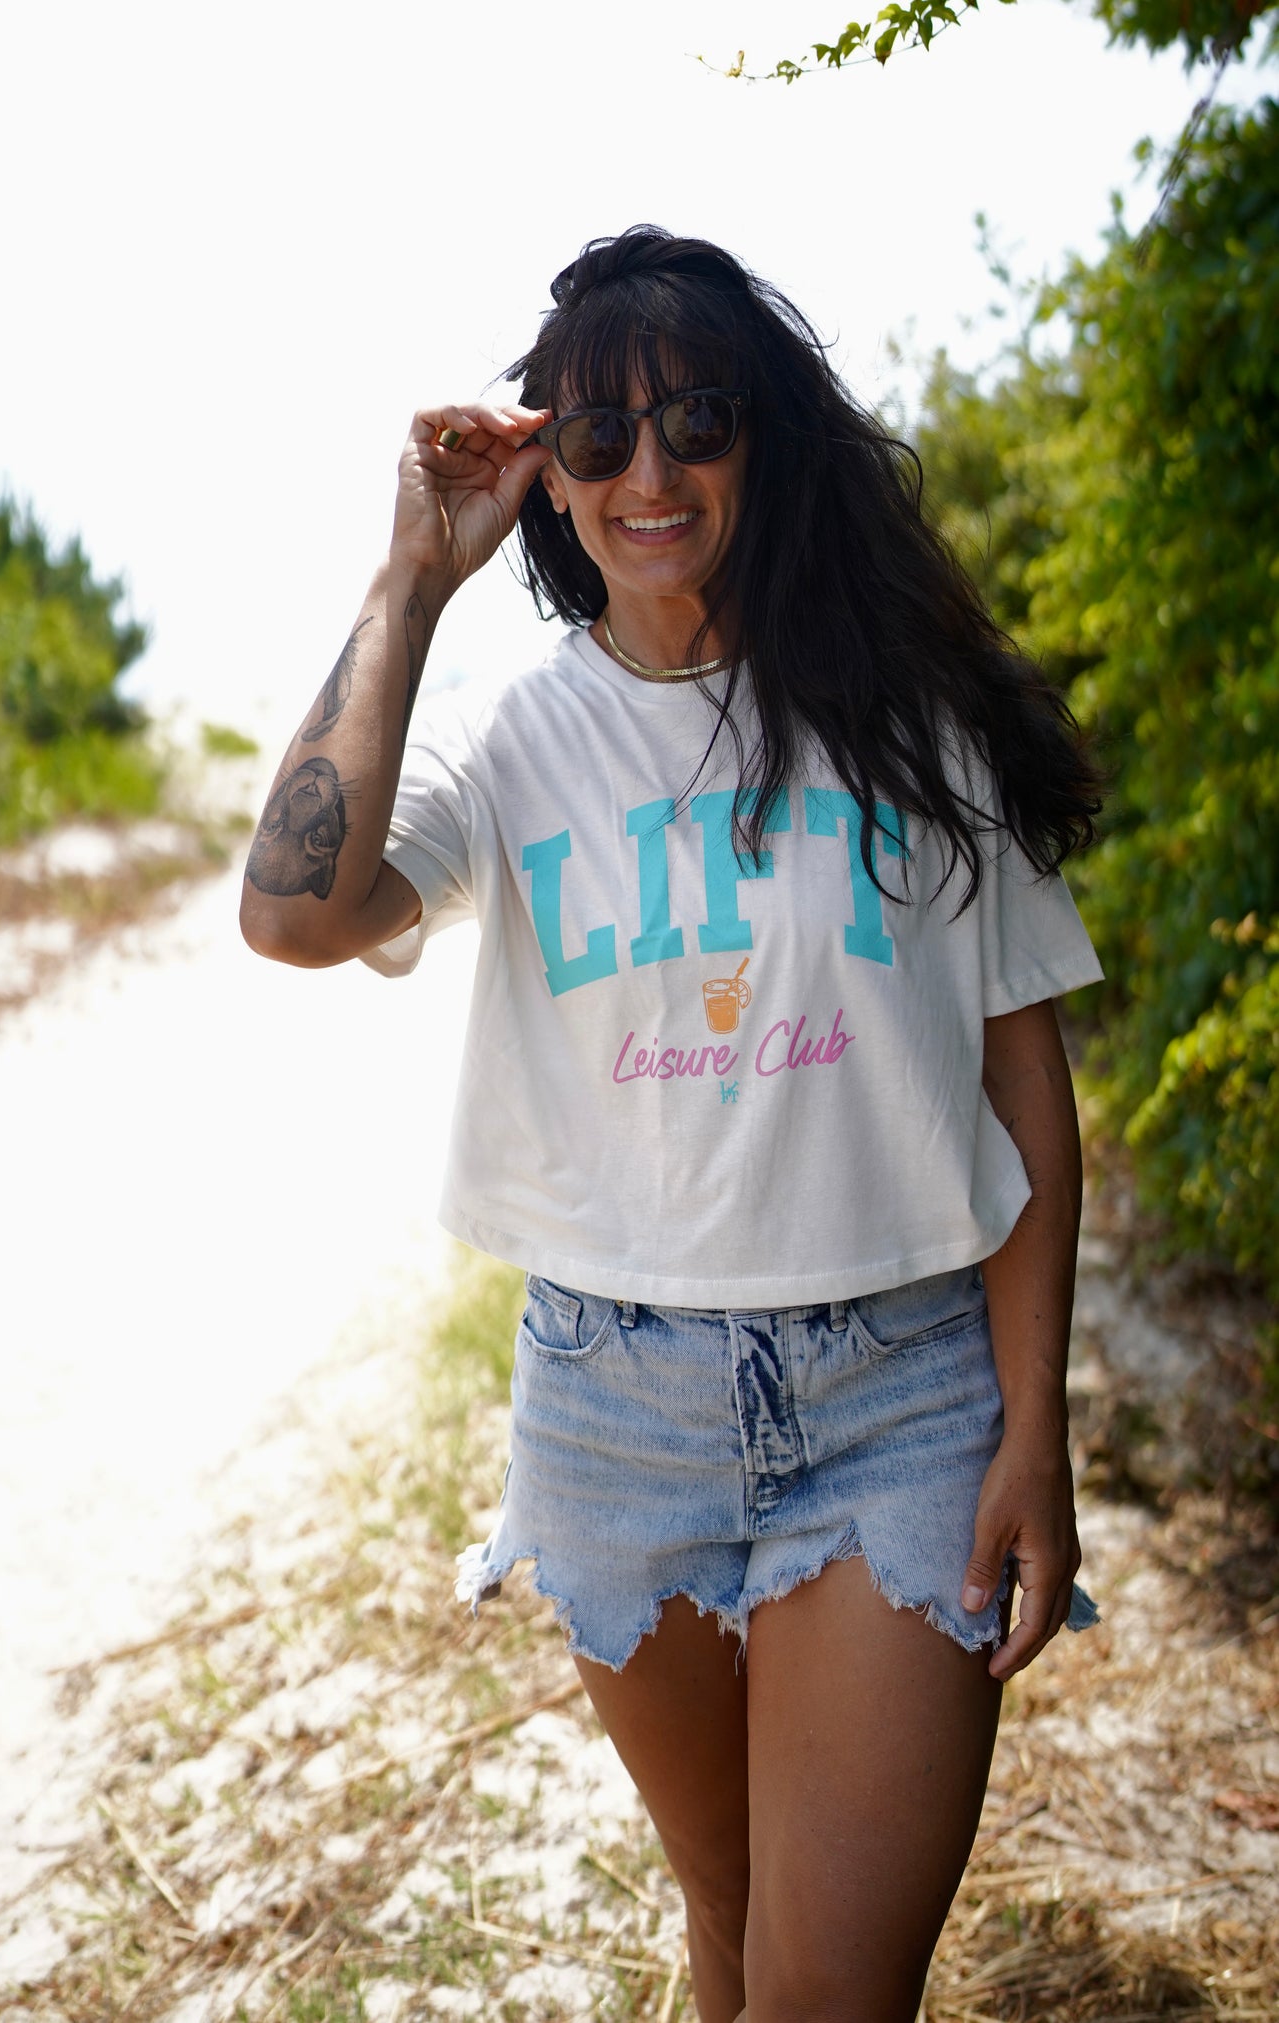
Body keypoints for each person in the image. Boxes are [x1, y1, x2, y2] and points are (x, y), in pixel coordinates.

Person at [240, 226, 1105, 2023]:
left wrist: (1038, 1423)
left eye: (697, 421)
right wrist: (410, 582)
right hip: (612, 1413)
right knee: (727, 1918)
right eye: (599, 434)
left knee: (822, 1991)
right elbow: (291, 914)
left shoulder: (908, 723)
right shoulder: (514, 744)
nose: (651, 471)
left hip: (896, 1407)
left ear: (759, 444)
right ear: (548, 478)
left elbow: (1024, 1082)